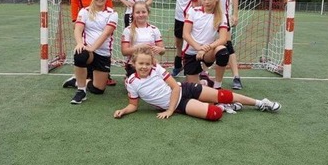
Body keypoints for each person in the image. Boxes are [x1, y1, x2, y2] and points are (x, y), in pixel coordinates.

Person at [113, 47, 281, 121]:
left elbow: (173, 87)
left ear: (152, 63)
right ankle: (225, 106)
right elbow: (133, 105)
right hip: (181, 103)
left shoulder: (156, 68)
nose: (144, 67)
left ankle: (260, 103)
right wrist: (123, 110)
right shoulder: (131, 82)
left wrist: (170, 111)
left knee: (222, 94)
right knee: (215, 114)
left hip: (183, 89)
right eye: (140, 64)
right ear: (133, 64)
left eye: (147, 63)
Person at [63, 0, 116, 88]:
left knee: (103, 43)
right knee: (84, 46)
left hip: (101, 17)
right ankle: (82, 77)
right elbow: (74, 1)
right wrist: (75, 19)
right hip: (86, 18)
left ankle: (103, 74)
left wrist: (109, 16)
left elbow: (108, 0)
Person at [197, 0, 243, 90]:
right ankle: (204, 72)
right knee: (206, 42)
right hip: (207, 16)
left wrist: (235, 13)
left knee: (227, 45)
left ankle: (236, 76)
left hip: (223, 15)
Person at [70, 0, 118, 104]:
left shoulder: (112, 14)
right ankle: (81, 91)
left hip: (103, 53)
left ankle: (78, 81)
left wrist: (93, 48)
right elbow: (78, 29)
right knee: (80, 54)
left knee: (98, 89)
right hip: (89, 53)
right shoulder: (84, 11)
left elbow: (106, 34)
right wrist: (80, 43)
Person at [182, 0, 229, 90]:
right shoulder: (193, 11)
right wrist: (199, 48)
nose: (207, 2)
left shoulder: (221, 15)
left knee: (223, 52)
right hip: (191, 53)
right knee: (194, 90)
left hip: (207, 52)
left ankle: (217, 86)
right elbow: (186, 34)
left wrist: (205, 49)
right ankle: (204, 81)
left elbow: (223, 39)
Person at [166, 0, 198, 77]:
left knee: (189, 44)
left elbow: (195, 5)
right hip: (178, 18)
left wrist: (191, 18)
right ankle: (178, 66)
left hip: (188, 20)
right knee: (178, 43)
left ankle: (192, 66)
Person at [121, 1, 165, 77]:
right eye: (137, 12)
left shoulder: (154, 29)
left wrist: (160, 49)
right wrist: (140, 47)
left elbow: (162, 50)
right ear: (133, 14)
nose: (141, 15)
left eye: (143, 12)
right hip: (133, 65)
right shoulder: (128, 30)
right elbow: (124, 52)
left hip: (150, 64)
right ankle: (129, 77)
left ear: (148, 13)